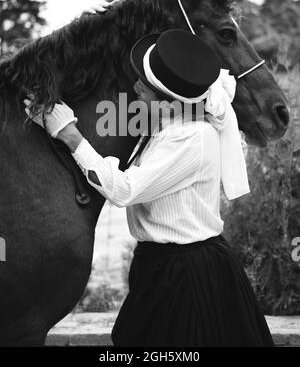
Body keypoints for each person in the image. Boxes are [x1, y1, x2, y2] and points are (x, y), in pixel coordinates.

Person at [24, 29, 274, 347]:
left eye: (147, 87)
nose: (136, 87)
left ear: (171, 102)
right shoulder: (167, 124)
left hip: (185, 274)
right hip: (160, 266)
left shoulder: (192, 138)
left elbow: (125, 190)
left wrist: (70, 135)